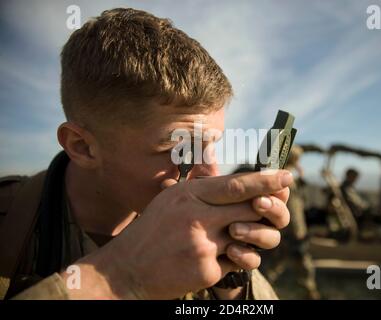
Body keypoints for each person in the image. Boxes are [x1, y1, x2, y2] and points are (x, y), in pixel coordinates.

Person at [0, 8, 293, 300]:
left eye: (211, 144)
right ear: (82, 146)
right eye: (182, 148)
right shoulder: (11, 223)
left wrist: (228, 281)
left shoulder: (194, 230)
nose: (211, 173)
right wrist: (119, 278)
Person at [260, 145, 321, 299]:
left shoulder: (280, 176)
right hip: (292, 233)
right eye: (297, 159)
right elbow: (293, 212)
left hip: (286, 232)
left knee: (276, 265)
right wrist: (299, 234)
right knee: (294, 264)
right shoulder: (285, 180)